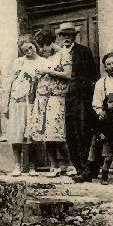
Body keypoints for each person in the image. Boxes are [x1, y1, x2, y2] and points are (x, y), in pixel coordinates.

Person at [53, 23, 99, 182]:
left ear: (74, 36)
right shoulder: (56, 54)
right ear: (59, 37)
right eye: (63, 35)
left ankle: (86, 170)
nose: (66, 38)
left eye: (69, 35)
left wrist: (82, 88)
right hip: (60, 98)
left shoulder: (83, 51)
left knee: (82, 131)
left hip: (80, 98)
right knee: (68, 134)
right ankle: (78, 167)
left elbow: (93, 75)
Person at [28, 29, 74, 177]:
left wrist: (48, 72)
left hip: (56, 97)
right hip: (42, 97)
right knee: (44, 133)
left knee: (56, 132)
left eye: (42, 46)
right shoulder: (47, 58)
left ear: (50, 43)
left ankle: (69, 165)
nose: (41, 50)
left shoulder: (63, 54)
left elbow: (67, 74)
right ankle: (54, 166)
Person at [2, 34, 45, 176]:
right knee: (16, 134)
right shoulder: (17, 62)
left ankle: (32, 166)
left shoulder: (43, 62)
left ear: (35, 46)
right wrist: (6, 105)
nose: (28, 51)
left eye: (30, 47)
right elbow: (8, 84)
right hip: (17, 101)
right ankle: (17, 165)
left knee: (30, 135)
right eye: (25, 49)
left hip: (34, 102)